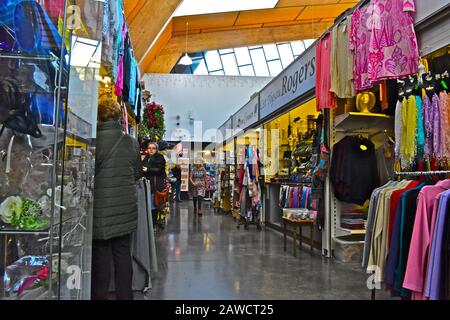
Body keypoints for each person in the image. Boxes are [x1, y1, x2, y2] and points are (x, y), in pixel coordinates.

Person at [91, 98, 141, 300]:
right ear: (120, 118)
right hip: (125, 207)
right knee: (122, 255)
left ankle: (99, 295)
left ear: (99, 116)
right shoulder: (130, 142)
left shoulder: (93, 141)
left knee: (100, 257)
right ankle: (125, 296)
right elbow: (137, 173)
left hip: (99, 208)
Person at [142, 141, 166, 226]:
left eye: (153, 148)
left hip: (155, 187)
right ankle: (150, 225)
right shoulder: (146, 157)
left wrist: (147, 170)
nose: (151, 150)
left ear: (156, 150)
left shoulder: (160, 157)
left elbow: (159, 170)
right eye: (149, 148)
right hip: (146, 186)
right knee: (149, 207)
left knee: (153, 207)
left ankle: (152, 225)